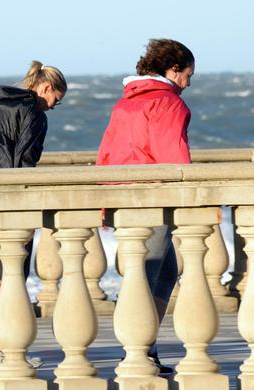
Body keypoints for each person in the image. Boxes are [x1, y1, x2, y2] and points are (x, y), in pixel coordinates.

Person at [96, 38, 195, 375]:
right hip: (154, 200)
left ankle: (145, 345)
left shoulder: (124, 104)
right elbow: (174, 158)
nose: (188, 84)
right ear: (174, 68)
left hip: (124, 199)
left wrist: (104, 204)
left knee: (164, 273)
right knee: (148, 275)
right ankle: (137, 351)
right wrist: (187, 199)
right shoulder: (169, 104)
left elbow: (105, 154)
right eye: (187, 76)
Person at [0, 60, 67, 368]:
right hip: (7, 198)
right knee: (11, 273)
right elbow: (24, 161)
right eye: (55, 101)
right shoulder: (33, 112)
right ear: (46, 88)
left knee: (5, 271)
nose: (51, 107)